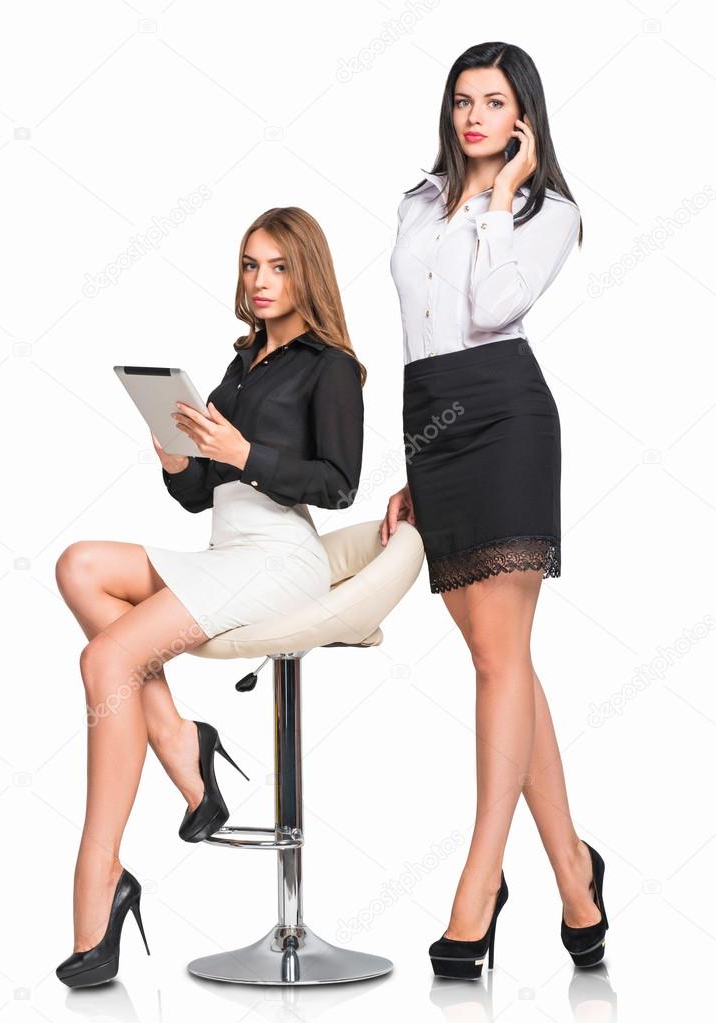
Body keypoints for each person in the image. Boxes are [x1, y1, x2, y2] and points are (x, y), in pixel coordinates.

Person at [54, 207, 365, 987]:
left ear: (306, 274)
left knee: (108, 658)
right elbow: (200, 497)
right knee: (79, 565)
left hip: (281, 558)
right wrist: (176, 459)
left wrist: (243, 452)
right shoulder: (242, 364)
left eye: (277, 267)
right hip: (226, 550)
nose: (260, 282)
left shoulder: (329, 366)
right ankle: (181, 741)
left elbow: (338, 482)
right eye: (250, 266)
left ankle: (101, 879)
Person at [380, 42, 608, 978]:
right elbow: (413, 329)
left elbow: (492, 304)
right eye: (463, 101)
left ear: (523, 117)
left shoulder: (544, 209)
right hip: (431, 418)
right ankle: (574, 875)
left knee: (495, 660)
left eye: (494, 104)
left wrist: (494, 198)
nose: (474, 117)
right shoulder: (412, 202)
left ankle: (478, 884)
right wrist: (413, 462)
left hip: (506, 416)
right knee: (500, 661)